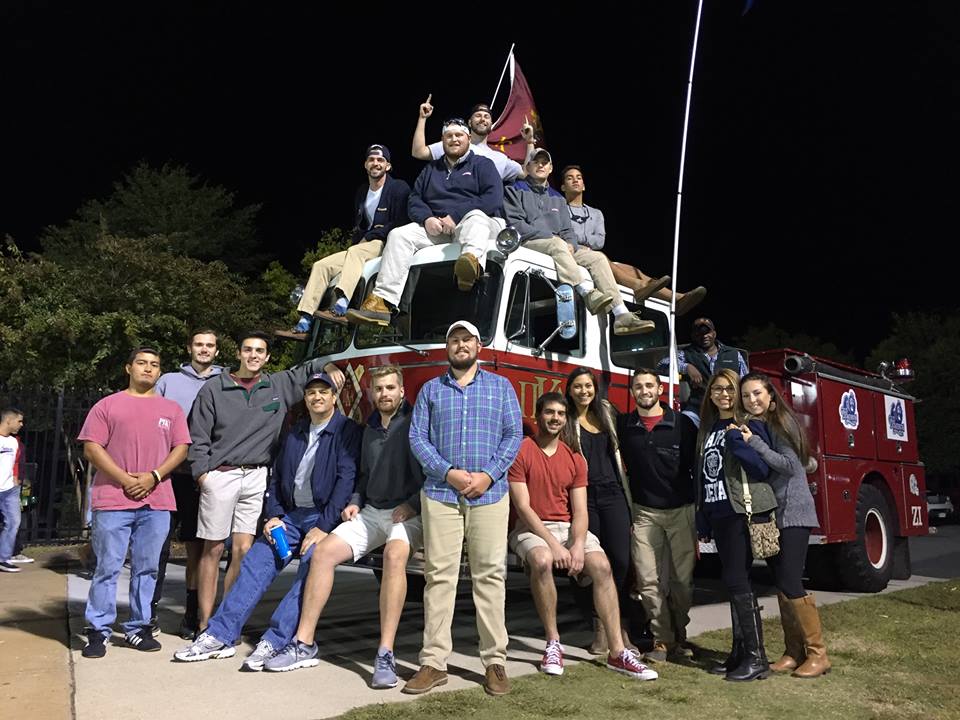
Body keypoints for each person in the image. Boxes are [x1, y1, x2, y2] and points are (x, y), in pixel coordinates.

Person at [174, 372, 361, 669]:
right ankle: (219, 635)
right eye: (311, 392)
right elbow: (275, 478)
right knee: (256, 560)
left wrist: (323, 528)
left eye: (323, 392)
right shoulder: (295, 432)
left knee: (312, 567)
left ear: (334, 397)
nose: (317, 397)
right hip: (290, 517)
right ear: (305, 398)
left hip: (322, 517)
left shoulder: (347, 431)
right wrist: (274, 515)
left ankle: (275, 641)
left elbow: (345, 480)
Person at [263, 366, 424, 686]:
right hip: (372, 511)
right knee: (322, 553)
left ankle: (385, 654)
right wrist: (355, 500)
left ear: (402, 391)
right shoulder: (369, 428)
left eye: (390, 388)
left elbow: (430, 473)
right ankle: (304, 643)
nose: (384, 394)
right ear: (371, 393)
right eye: (379, 389)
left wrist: (413, 504)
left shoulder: (416, 425)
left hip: (409, 512)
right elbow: (363, 476)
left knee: (393, 556)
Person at [189, 331, 342, 633]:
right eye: (248, 350)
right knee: (213, 549)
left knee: (243, 549)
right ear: (238, 353)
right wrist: (203, 474)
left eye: (260, 351)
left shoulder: (278, 385)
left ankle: (225, 621)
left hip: (257, 474)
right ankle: (204, 623)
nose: (253, 355)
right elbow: (198, 435)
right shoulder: (214, 388)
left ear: (268, 357)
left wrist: (329, 365)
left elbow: (310, 369)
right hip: (221, 473)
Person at [403, 320, 522, 696]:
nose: (460, 345)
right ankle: (434, 663)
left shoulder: (501, 387)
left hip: (490, 494)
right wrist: (448, 472)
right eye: (454, 340)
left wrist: (488, 475)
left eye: (466, 339)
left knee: (490, 577)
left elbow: (513, 434)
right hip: (441, 494)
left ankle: (495, 662)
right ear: (447, 348)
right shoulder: (430, 390)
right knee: (439, 577)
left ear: (478, 346)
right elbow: (417, 438)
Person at [508, 392, 658, 680]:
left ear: (566, 420)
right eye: (549, 412)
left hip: (567, 527)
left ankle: (617, 652)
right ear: (537, 416)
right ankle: (553, 644)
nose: (555, 418)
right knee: (541, 560)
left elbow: (580, 511)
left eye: (560, 414)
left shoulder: (575, 457)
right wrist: (554, 546)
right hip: (531, 528)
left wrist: (577, 545)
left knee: (602, 566)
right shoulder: (522, 450)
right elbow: (523, 508)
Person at [78, 347, 191, 658]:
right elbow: (92, 448)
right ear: (129, 368)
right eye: (142, 363)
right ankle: (98, 630)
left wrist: (154, 476)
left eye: (154, 364)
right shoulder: (107, 405)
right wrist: (125, 479)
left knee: (147, 568)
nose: (148, 368)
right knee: (107, 567)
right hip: (113, 500)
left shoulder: (171, 410)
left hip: (157, 502)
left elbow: (181, 448)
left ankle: (138, 628)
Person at [347, 119, 505, 327]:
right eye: (449, 136)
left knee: (475, 216)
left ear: (468, 138)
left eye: (459, 135)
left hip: (476, 225)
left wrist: (455, 216)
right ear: (442, 140)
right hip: (438, 227)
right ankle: (383, 302)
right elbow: (414, 199)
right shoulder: (431, 169)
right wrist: (427, 218)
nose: (454, 139)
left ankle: (469, 268)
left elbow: (493, 198)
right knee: (399, 235)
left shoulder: (483, 165)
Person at [504, 150, 654, 336]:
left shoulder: (558, 198)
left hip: (558, 246)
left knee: (597, 258)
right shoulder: (514, 189)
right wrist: (555, 239)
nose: (541, 165)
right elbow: (516, 225)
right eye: (536, 162)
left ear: (550, 168)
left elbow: (568, 230)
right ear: (528, 166)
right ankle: (587, 293)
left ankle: (621, 315)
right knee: (557, 244)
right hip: (529, 242)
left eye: (545, 162)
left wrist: (571, 243)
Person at [739, 372, 830, 678]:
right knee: (781, 583)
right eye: (746, 395)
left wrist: (754, 444)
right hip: (776, 514)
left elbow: (791, 466)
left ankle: (818, 654)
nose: (752, 400)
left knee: (791, 581)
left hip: (794, 512)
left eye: (757, 393)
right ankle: (794, 651)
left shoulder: (781, 424)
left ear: (771, 397)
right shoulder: (762, 425)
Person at [695, 368, 774, 682]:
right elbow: (706, 474)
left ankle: (757, 657)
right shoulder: (709, 427)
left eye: (729, 389)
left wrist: (737, 441)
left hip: (739, 512)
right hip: (717, 512)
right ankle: (739, 653)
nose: (723, 394)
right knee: (731, 580)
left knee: (738, 579)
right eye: (717, 389)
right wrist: (703, 516)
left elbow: (761, 468)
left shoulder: (748, 425)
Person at [284, 144, 412, 337]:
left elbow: (402, 221)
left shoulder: (398, 188)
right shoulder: (362, 191)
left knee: (355, 252)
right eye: (371, 159)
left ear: (388, 166)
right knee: (321, 265)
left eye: (380, 160)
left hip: (386, 243)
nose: (376, 163)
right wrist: (361, 239)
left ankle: (341, 306)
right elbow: (359, 226)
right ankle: (304, 321)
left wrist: (370, 236)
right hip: (361, 247)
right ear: (365, 164)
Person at [618, 368, 699, 663]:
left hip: (681, 511)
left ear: (660, 389)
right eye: (638, 386)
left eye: (649, 385)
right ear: (632, 392)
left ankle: (680, 634)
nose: (644, 391)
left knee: (682, 582)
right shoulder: (624, 426)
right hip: (644, 513)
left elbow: (696, 467)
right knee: (647, 580)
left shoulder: (683, 425)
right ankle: (662, 640)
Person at [152, 329, 224, 638]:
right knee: (157, 546)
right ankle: (148, 612)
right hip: (167, 476)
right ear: (189, 348)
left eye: (209, 345)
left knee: (197, 549)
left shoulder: (225, 381)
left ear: (217, 351)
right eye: (199, 344)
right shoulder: (168, 382)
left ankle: (191, 615)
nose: (204, 349)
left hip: (202, 477)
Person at [560, 165, 706, 312]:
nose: (575, 181)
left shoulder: (596, 213)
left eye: (579, 178)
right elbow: (562, 236)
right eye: (570, 178)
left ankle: (678, 299)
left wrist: (577, 237)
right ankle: (639, 287)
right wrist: (581, 243)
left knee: (634, 271)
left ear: (584, 186)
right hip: (575, 256)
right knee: (602, 258)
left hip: (594, 254)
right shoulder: (559, 210)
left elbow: (599, 242)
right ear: (563, 187)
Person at [562, 367, 634, 654]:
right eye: (578, 386)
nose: (584, 391)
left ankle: (619, 625)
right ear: (570, 390)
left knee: (621, 561)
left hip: (614, 493)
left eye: (588, 386)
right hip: (584, 498)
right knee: (591, 564)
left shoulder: (607, 413)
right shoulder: (566, 420)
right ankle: (601, 629)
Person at [412, 98, 536, 182]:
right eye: (478, 115)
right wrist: (422, 118)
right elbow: (418, 152)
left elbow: (526, 173)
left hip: (483, 211)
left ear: (491, 124)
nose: (482, 119)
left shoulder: (500, 159)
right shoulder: (455, 144)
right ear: (470, 123)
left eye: (486, 116)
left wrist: (530, 141)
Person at [660, 317, 749, 416]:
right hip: (698, 408)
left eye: (707, 332)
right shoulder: (686, 353)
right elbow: (662, 365)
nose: (704, 336)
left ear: (714, 334)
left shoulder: (733, 354)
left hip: (729, 407)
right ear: (693, 336)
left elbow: (745, 382)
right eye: (699, 333)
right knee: (684, 420)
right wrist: (687, 367)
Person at [0, 407, 25, 573]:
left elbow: (14, 462)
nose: (21, 424)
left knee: (14, 522)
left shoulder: (14, 442)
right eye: (19, 421)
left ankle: (3, 559)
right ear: (8, 420)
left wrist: (15, 479)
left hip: (9, 490)